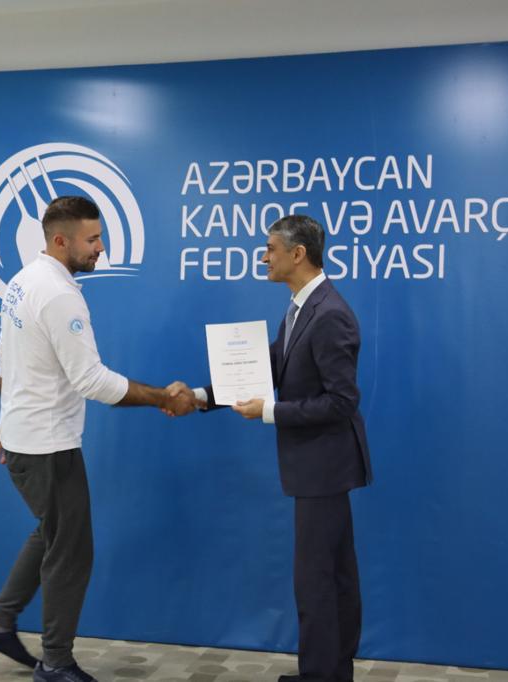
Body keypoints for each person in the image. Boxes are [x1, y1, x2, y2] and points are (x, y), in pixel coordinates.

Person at [0, 196, 197, 682]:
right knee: (71, 551)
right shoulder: (58, 294)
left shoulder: (22, 281)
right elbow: (91, 380)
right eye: (92, 239)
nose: (101, 248)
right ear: (60, 240)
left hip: (27, 438)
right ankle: (55, 662)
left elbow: (6, 356)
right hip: (48, 446)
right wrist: (162, 397)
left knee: (53, 532)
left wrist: (7, 419)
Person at [194, 214, 372, 682]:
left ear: (298, 254)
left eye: (270, 248)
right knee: (331, 576)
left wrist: (270, 411)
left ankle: (321, 674)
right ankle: (329, 672)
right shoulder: (299, 308)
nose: (263, 257)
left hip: (324, 467)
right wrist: (201, 397)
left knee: (317, 580)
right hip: (316, 467)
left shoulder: (329, 314)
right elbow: (266, 368)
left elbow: (342, 402)